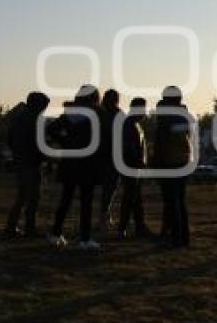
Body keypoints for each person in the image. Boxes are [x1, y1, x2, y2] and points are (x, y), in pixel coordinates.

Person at [47, 85, 103, 250]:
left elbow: (51, 128)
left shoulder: (70, 114)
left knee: (66, 199)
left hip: (70, 162)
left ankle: (56, 233)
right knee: (86, 202)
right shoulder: (97, 114)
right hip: (88, 162)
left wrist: (65, 141)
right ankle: (84, 238)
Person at [5, 91, 50, 237]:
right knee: (32, 198)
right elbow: (39, 145)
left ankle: (12, 226)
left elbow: (10, 140)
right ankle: (29, 228)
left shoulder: (18, 119)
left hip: (21, 161)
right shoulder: (35, 120)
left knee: (22, 196)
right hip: (31, 163)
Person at [153, 86, 193, 248]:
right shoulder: (184, 115)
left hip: (168, 162)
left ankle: (175, 236)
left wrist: (157, 161)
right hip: (183, 160)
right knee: (179, 201)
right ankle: (183, 236)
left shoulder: (165, 116)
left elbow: (161, 140)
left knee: (172, 201)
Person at [118, 97, 152, 239]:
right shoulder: (129, 124)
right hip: (131, 166)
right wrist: (137, 161)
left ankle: (138, 225)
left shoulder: (134, 124)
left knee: (135, 198)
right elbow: (129, 146)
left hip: (134, 166)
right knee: (131, 197)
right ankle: (124, 227)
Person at [98, 89, 122, 234]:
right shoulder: (117, 114)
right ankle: (104, 217)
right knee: (110, 189)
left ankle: (104, 216)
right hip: (112, 156)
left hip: (102, 155)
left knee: (108, 189)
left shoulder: (100, 114)